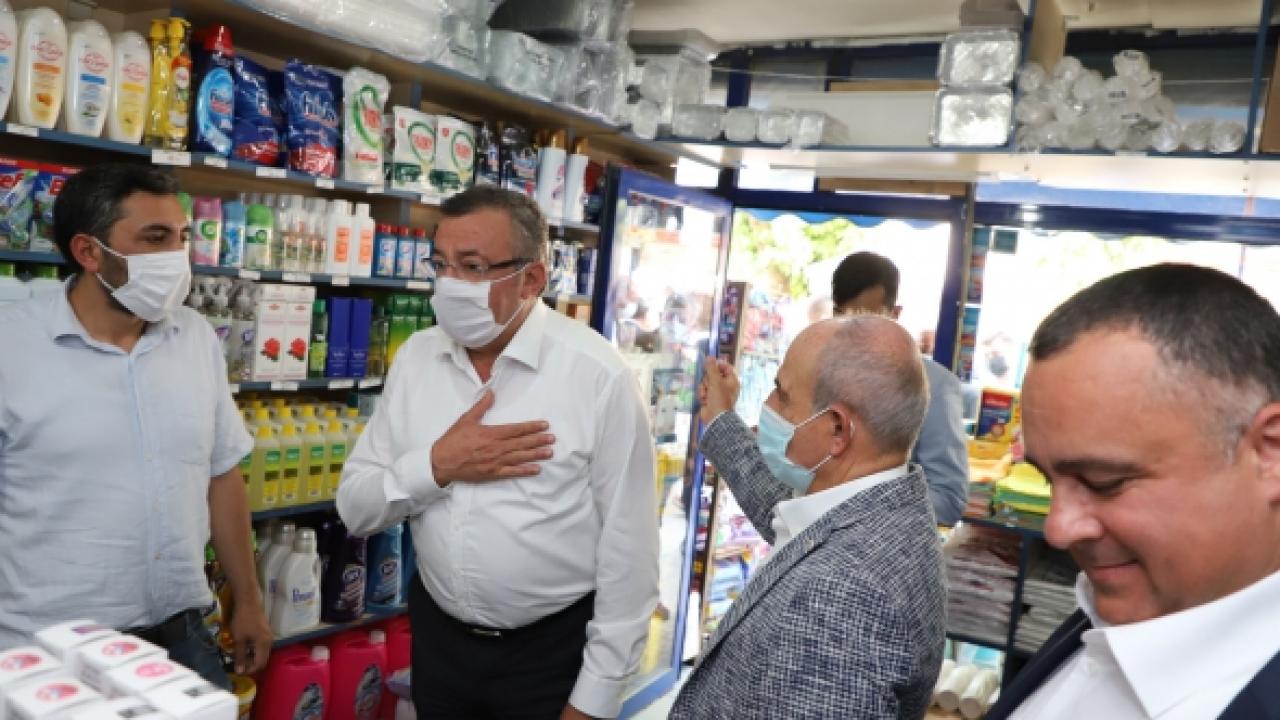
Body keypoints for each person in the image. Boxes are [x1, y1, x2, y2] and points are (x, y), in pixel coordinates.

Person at [336, 186, 659, 720]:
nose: (449, 284)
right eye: (440, 264)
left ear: (532, 279)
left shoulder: (596, 376)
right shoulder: (417, 359)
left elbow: (631, 555)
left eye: (472, 266)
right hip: (440, 643)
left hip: (549, 654)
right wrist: (437, 465)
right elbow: (356, 506)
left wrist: (594, 700)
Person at [0, 164, 271, 686]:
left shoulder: (195, 338)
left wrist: (249, 599)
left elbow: (221, 477)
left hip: (182, 636)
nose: (178, 256)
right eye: (155, 238)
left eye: (182, 237)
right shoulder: (12, 346)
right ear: (89, 252)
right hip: (49, 649)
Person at [986, 264, 1280, 720]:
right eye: (1047, 480)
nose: (1059, 529)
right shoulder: (1114, 605)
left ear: (1269, 452)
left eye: (1105, 483)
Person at [671, 315, 946, 719]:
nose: (767, 407)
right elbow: (789, 521)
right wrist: (721, 420)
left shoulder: (840, 599)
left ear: (838, 430)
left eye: (782, 395)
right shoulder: (886, 510)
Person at [831, 251, 969, 525]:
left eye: (870, 322)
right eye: (846, 320)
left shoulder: (936, 387)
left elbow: (948, 499)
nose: (858, 334)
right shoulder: (818, 372)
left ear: (894, 315)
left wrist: (855, 503)